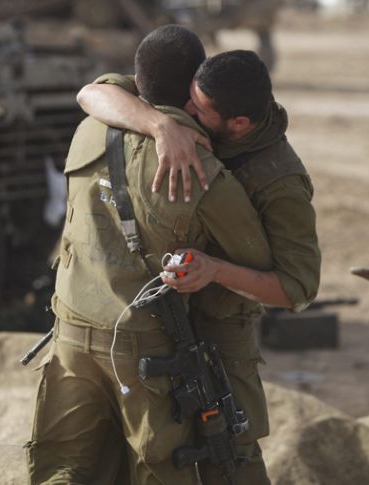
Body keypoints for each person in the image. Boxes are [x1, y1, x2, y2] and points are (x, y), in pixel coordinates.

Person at [24, 25, 274, 484]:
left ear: (137, 80)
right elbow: (266, 265)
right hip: (144, 350)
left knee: (63, 466)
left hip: (71, 333)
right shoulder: (201, 171)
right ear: (193, 89)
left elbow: (93, 91)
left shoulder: (87, 130)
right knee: (156, 466)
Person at [76, 49, 321, 484]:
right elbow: (92, 94)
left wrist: (214, 270)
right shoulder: (190, 102)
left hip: (220, 343)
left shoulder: (278, 180)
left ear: (238, 125)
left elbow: (296, 289)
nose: (185, 109)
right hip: (164, 331)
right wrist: (161, 125)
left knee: (229, 462)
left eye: (198, 110)